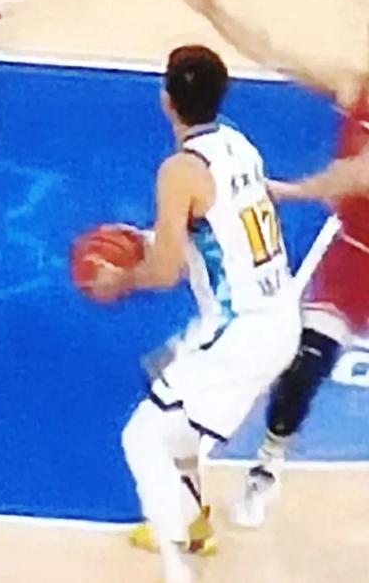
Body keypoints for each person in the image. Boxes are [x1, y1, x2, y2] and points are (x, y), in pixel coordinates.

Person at [169, 0, 369, 527]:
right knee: (305, 365)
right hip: (357, 255)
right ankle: (268, 464)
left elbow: (355, 174)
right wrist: (215, 11)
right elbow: (274, 52)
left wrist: (283, 190)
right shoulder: (356, 86)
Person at [88, 46, 300, 583]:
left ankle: (177, 567)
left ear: (166, 100)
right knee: (172, 396)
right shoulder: (239, 144)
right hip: (277, 313)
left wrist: (119, 280)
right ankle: (194, 521)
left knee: (142, 437)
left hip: (242, 330)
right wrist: (146, 238)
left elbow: (166, 273)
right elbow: (214, 233)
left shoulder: (179, 170)